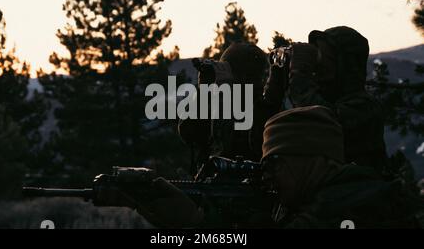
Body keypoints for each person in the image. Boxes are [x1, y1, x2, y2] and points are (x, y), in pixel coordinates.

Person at [261, 106, 424, 229]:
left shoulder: (350, 208)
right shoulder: (350, 193)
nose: (267, 176)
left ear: (309, 159)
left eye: (273, 163)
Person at [285, 26, 388, 173]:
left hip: (356, 191)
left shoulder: (365, 107)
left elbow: (318, 121)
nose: (318, 64)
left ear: (343, 63)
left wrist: (298, 74)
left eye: (323, 56)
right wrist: (278, 81)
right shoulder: (322, 97)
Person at [178, 43, 283, 172]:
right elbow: (189, 133)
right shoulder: (217, 104)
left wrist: (225, 92)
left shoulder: (263, 112)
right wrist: (203, 91)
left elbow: (225, 147)